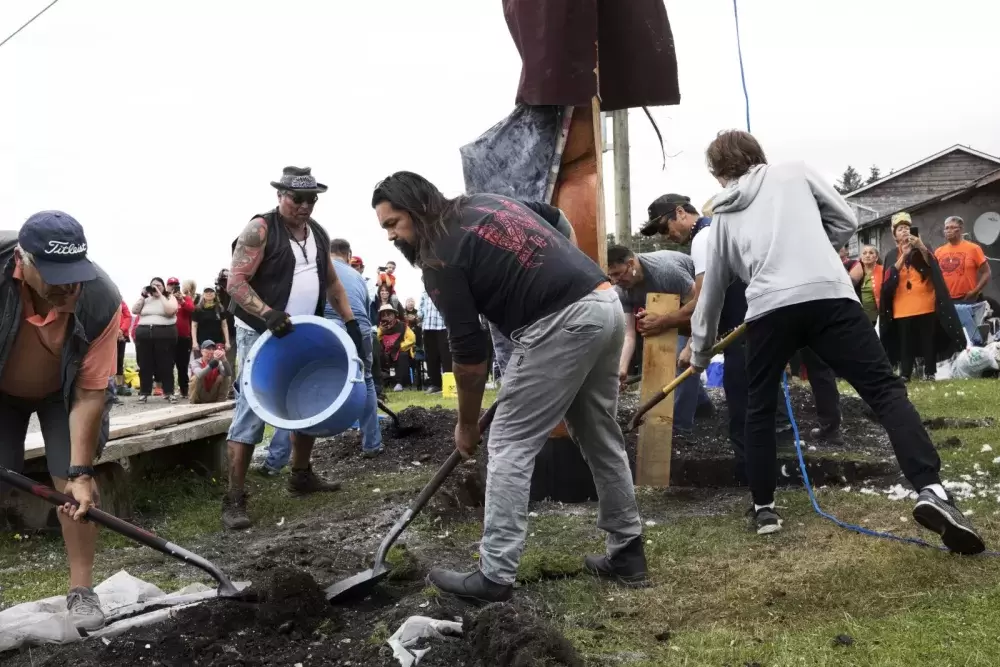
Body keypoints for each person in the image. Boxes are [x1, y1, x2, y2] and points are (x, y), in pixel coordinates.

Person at [687, 129, 984, 553]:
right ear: (758, 155)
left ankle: (764, 508)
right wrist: (815, 251)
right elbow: (845, 220)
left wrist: (699, 353)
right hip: (830, 296)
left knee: (758, 407)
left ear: (719, 175)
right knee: (884, 391)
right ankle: (932, 489)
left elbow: (713, 291)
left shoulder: (720, 221)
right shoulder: (795, 172)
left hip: (769, 310)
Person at [372, 172, 646, 603]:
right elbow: (555, 219)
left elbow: (468, 354)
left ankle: (494, 576)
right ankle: (628, 552)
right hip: (602, 301)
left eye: (394, 223)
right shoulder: (482, 202)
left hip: (560, 323)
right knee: (598, 433)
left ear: (417, 208)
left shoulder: (439, 259)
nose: (391, 236)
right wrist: (564, 270)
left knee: (509, 444)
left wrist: (466, 424)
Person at [222, 166, 365, 529]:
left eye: (311, 199)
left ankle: (300, 475)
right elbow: (235, 283)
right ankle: (234, 498)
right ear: (280, 196)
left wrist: (349, 323)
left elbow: (331, 282)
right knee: (252, 410)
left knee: (306, 403)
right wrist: (267, 313)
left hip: (302, 329)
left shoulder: (317, 233)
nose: (304, 206)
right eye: (296, 198)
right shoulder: (260, 229)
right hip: (261, 333)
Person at [0, 211, 121, 630]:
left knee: (73, 489)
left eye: (74, 274)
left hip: (64, 394)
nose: (69, 287)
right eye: (55, 276)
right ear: (23, 261)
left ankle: (82, 590)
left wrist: (81, 471)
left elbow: (89, 393)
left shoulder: (101, 299)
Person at [606, 245, 710, 438]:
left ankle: (680, 428)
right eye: (610, 276)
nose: (615, 281)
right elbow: (629, 335)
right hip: (662, 309)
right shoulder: (622, 290)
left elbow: (699, 308)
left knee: (682, 360)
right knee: (662, 359)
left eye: (618, 274)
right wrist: (621, 370)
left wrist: (690, 346)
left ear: (631, 264)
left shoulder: (666, 272)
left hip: (693, 304)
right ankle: (702, 405)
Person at [879, 213, 965, 382]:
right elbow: (889, 278)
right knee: (905, 341)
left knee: (928, 339)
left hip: (925, 302)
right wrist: (904, 255)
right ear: (894, 234)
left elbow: (932, 265)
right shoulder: (891, 255)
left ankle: (930, 372)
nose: (904, 232)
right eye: (900, 229)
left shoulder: (923, 247)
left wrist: (920, 246)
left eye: (907, 228)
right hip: (901, 305)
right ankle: (905, 373)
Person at [131, 277, 178, 403]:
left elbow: (170, 311)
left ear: (163, 287)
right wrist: (142, 296)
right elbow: (134, 310)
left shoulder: (169, 298)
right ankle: (144, 392)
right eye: (153, 285)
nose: (155, 287)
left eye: (159, 285)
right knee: (145, 364)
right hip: (144, 334)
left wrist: (160, 295)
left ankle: (169, 392)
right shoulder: (146, 300)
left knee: (166, 364)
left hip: (164, 334)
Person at [935, 216, 991, 303]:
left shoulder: (973, 248)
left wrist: (975, 291)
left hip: (969, 298)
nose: (948, 230)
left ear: (961, 229)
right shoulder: (939, 251)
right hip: (948, 300)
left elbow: (986, 272)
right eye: (946, 228)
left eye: (952, 227)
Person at [166, 277, 196, 398]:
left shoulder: (186, 298)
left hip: (184, 337)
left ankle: (184, 390)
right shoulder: (166, 299)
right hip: (169, 336)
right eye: (171, 285)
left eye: (176, 285)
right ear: (167, 286)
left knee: (182, 366)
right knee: (168, 364)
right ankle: (169, 391)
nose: (173, 287)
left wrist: (181, 300)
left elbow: (192, 309)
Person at [377, 304, 416, 391]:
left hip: (401, 350)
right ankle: (386, 381)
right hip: (387, 352)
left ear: (394, 315)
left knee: (402, 355)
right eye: (384, 315)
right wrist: (381, 331)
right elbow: (377, 339)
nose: (387, 317)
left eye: (389, 314)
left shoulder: (403, 325)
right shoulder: (381, 327)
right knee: (379, 355)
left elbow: (411, 339)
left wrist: (399, 347)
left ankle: (401, 383)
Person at [419, 289, 450, 394]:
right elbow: (421, 309)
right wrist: (418, 316)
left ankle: (448, 385)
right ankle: (435, 384)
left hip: (443, 326)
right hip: (428, 327)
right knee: (431, 357)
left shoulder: (444, 288)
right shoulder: (424, 292)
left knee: (446, 357)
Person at [188, 339, 232, 404]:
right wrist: (213, 363)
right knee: (195, 378)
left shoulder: (218, 363)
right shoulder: (195, 362)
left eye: (212, 349)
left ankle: (221, 401)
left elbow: (229, 373)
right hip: (200, 395)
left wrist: (224, 359)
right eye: (208, 349)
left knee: (225, 376)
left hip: (212, 392)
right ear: (202, 351)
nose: (211, 351)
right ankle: (194, 402)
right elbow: (199, 374)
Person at [191, 286, 233, 353]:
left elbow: (224, 325)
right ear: (203, 294)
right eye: (206, 291)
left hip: (218, 342)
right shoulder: (197, 309)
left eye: (211, 291)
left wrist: (227, 342)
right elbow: (194, 326)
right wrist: (194, 342)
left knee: (217, 362)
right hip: (202, 342)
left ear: (215, 294)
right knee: (202, 362)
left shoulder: (220, 308)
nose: (209, 293)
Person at [859, 244, 884, 324]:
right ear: (861, 257)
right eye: (864, 253)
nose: (867, 255)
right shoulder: (857, 272)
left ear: (876, 257)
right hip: (859, 317)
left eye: (871, 253)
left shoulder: (883, 271)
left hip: (877, 317)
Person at [115, 300, 132, 396]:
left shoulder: (121, 302)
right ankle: (108, 386)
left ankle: (119, 386)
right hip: (107, 335)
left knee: (119, 360)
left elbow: (127, 316)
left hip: (121, 335)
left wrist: (121, 330)